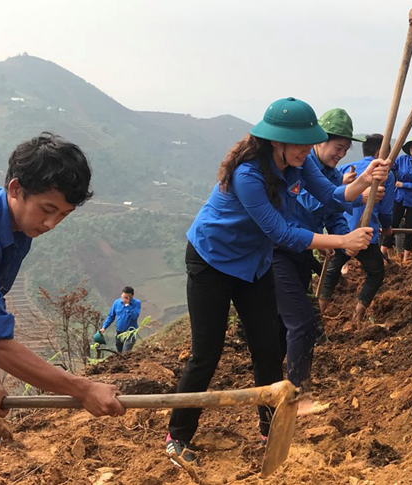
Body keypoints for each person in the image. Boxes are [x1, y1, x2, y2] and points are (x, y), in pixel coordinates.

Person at [166, 97, 387, 463]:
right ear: (276, 141)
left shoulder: (298, 165)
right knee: (207, 353)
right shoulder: (248, 174)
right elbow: (281, 232)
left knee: (268, 347)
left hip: (253, 264)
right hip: (213, 262)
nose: (306, 150)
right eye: (300, 143)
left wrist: (364, 180)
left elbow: (332, 196)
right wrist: (341, 241)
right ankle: (178, 434)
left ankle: (269, 426)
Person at [0, 133, 125, 419]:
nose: (51, 224)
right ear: (16, 188)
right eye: (47, 209)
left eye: (63, 214)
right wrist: (84, 389)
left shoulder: (17, 228)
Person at [274, 107, 373, 391]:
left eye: (345, 149)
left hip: (303, 251)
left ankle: (283, 379)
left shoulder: (331, 173)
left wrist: (346, 240)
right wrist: (357, 197)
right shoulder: (303, 167)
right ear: (319, 141)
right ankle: (296, 389)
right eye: (337, 147)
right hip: (281, 249)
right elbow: (312, 203)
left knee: (289, 322)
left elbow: (333, 215)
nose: (340, 154)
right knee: (302, 321)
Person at [319, 134, 395, 322]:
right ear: (380, 152)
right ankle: (358, 316)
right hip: (364, 235)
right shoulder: (384, 174)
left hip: (340, 232)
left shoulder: (344, 169)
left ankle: (318, 316)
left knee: (330, 275)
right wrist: (387, 228)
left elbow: (331, 201)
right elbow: (386, 210)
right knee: (376, 274)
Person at [381, 136, 412, 264]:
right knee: (392, 224)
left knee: (411, 227)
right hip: (398, 197)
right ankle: (382, 253)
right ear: (409, 148)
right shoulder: (401, 159)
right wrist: (392, 183)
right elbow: (389, 170)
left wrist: (403, 185)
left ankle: (406, 258)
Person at [99, 286, 141, 353]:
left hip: (130, 332)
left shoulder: (136, 303)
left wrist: (128, 306)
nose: (124, 299)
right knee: (119, 351)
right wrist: (104, 327)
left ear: (132, 296)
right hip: (119, 332)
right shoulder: (117, 303)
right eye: (123, 296)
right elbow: (111, 316)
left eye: (127, 297)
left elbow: (135, 316)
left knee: (126, 352)